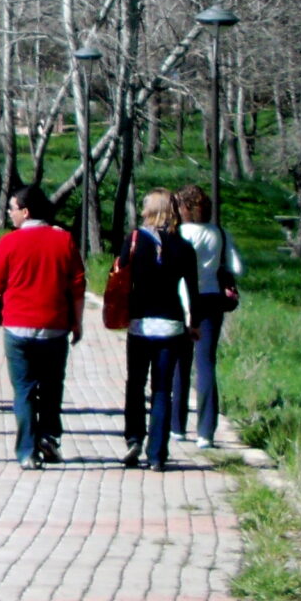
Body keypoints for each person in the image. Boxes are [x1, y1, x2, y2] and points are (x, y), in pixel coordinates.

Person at [0, 185, 85, 471]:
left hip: (18, 327)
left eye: (12, 209)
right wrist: (77, 323)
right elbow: (78, 285)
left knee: (25, 390)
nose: (9, 213)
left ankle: (27, 451)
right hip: (54, 326)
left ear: (25, 212)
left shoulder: (9, 243)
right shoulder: (64, 240)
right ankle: (50, 438)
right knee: (52, 386)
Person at [120, 189, 200, 471]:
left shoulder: (133, 241)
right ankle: (157, 454)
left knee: (135, 383)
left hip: (140, 322)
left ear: (149, 210)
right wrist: (195, 324)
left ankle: (133, 438)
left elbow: (121, 276)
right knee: (162, 389)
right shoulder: (183, 247)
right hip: (171, 324)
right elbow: (193, 289)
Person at [174, 184, 243, 449]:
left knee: (180, 362)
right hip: (212, 300)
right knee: (206, 364)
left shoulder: (180, 234)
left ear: (184, 209)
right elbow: (237, 266)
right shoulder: (220, 234)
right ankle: (206, 432)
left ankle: (177, 426)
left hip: (183, 301)